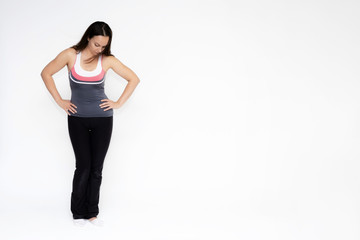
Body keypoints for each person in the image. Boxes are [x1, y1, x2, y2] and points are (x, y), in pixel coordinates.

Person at [40, 21, 140, 227]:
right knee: (83, 167)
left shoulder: (108, 60)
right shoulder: (70, 56)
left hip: (103, 120)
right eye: (97, 44)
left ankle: (92, 212)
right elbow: (46, 73)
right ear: (88, 38)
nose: (100, 49)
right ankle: (78, 212)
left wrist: (118, 103)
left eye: (104, 46)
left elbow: (134, 79)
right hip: (77, 119)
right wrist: (60, 101)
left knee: (96, 169)